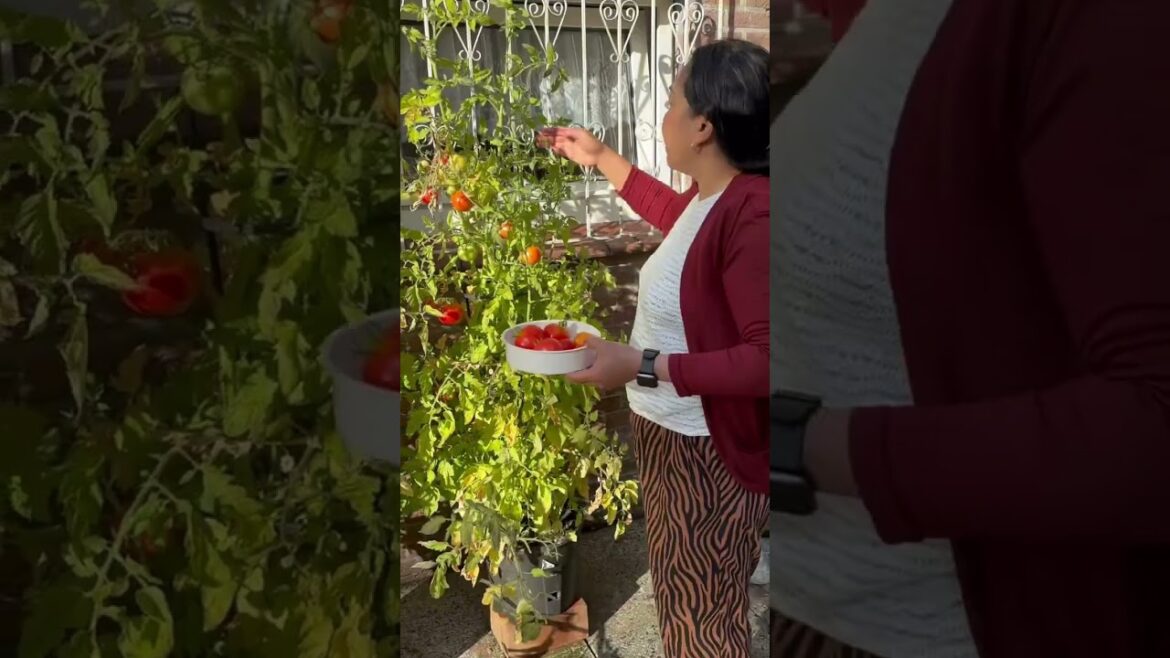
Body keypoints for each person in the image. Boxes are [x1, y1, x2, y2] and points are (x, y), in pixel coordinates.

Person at [770, 1, 1170, 657]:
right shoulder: (873, 28)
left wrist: (796, 444)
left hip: (925, 630)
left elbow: (1154, 421)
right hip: (807, 603)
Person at [540, 38, 771, 657]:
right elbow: (675, 217)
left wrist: (637, 363)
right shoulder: (712, 199)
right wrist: (602, 158)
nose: (662, 117)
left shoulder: (755, 210)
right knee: (681, 599)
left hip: (708, 455)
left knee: (705, 620)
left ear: (702, 125)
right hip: (670, 435)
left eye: (671, 103)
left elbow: (769, 359)